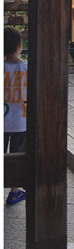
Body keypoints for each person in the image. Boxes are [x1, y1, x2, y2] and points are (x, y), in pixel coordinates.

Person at [4, 27, 28, 204]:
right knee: (18, 154)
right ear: (20, 45)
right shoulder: (27, 67)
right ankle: (14, 191)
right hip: (21, 121)